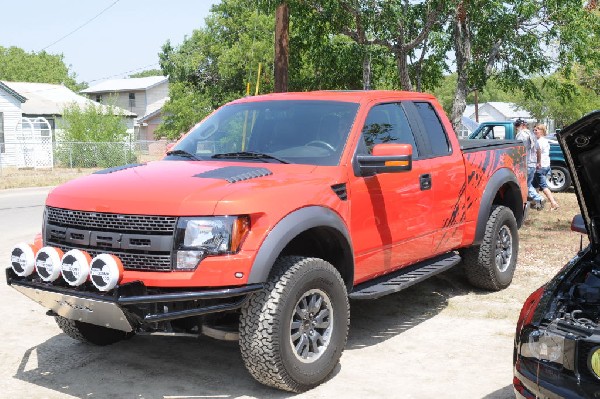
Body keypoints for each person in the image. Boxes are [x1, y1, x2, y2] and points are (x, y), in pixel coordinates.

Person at [514, 118, 544, 210]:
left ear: (522, 125)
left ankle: (532, 201)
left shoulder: (521, 135)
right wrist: (538, 162)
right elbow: (538, 150)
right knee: (528, 184)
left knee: (524, 185)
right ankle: (538, 199)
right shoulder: (532, 134)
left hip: (525, 164)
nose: (516, 128)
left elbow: (519, 150)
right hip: (533, 164)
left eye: (517, 126)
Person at [533, 124, 559, 210]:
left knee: (543, 186)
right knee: (535, 184)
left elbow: (538, 152)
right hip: (546, 165)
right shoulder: (545, 140)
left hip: (540, 166)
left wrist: (538, 163)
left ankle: (553, 203)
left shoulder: (539, 141)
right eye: (535, 129)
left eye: (537, 129)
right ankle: (537, 202)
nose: (535, 131)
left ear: (542, 131)